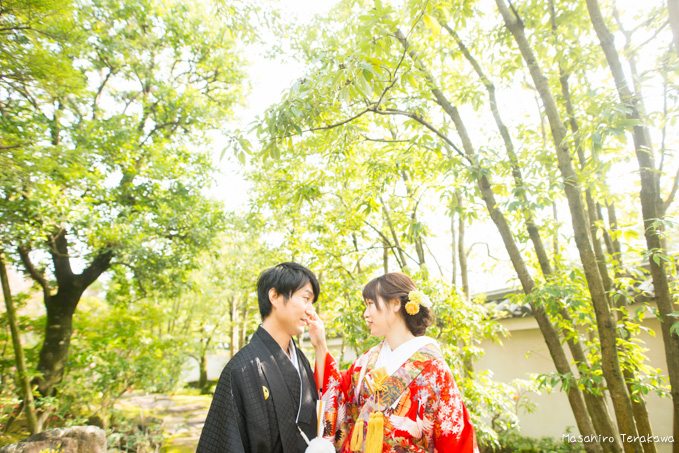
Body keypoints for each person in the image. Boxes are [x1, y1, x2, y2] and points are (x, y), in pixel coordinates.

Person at [316, 272, 478, 453]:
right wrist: (320, 346)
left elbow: (453, 434)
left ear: (395, 303)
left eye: (370, 304)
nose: (365, 314)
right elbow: (336, 391)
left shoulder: (433, 367)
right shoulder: (368, 360)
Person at [197, 262, 337, 453]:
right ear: (274, 297)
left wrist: (320, 345)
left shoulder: (301, 360)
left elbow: (326, 399)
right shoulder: (241, 369)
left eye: (311, 302)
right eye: (306, 298)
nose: (310, 310)